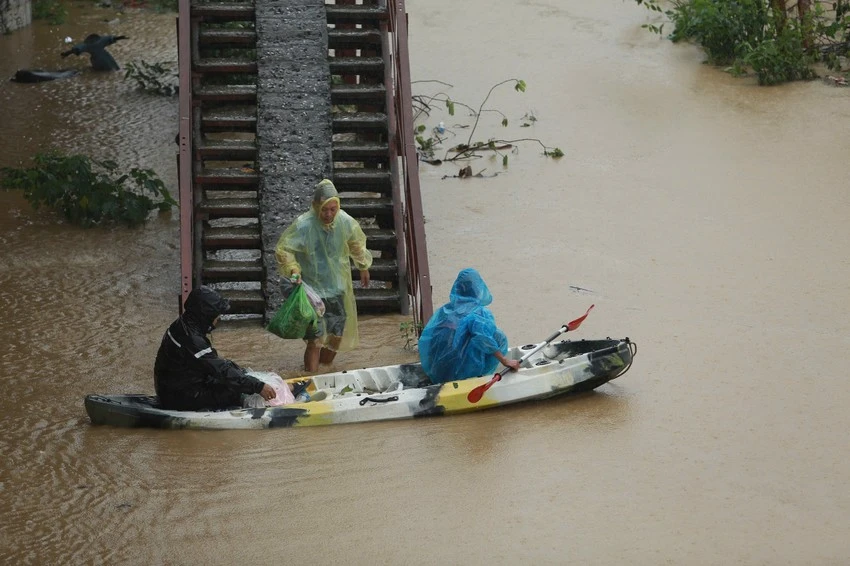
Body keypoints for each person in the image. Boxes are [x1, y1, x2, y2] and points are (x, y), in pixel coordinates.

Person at [274, 179, 372, 373]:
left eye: (333, 209)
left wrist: (363, 266)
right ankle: (310, 377)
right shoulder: (304, 225)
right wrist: (293, 269)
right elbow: (284, 249)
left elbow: (356, 244)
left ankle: (325, 370)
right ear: (315, 206)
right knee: (315, 339)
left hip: (336, 287)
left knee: (336, 335)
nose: (329, 214)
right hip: (311, 290)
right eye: (325, 210)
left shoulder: (345, 221)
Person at [154, 286, 276, 410]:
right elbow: (221, 370)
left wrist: (249, 379)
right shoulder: (192, 340)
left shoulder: (183, 324)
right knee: (235, 390)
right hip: (180, 397)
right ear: (205, 315)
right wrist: (258, 386)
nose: (219, 318)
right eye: (216, 315)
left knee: (232, 369)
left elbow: (216, 365)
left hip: (177, 387)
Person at [418, 268, 521, 384]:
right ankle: (478, 375)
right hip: (460, 372)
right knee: (498, 336)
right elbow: (484, 339)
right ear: (478, 289)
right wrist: (505, 360)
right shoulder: (479, 313)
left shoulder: (445, 310)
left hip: (438, 369)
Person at [60, 34, 128, 71]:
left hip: (96, 60)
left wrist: (65, 54)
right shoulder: (101, 40)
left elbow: (75, 50)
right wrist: (121, 37)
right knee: (114, 69)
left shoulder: (86, 45)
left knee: (100, 71)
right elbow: (112, 38)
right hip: (106, 57)